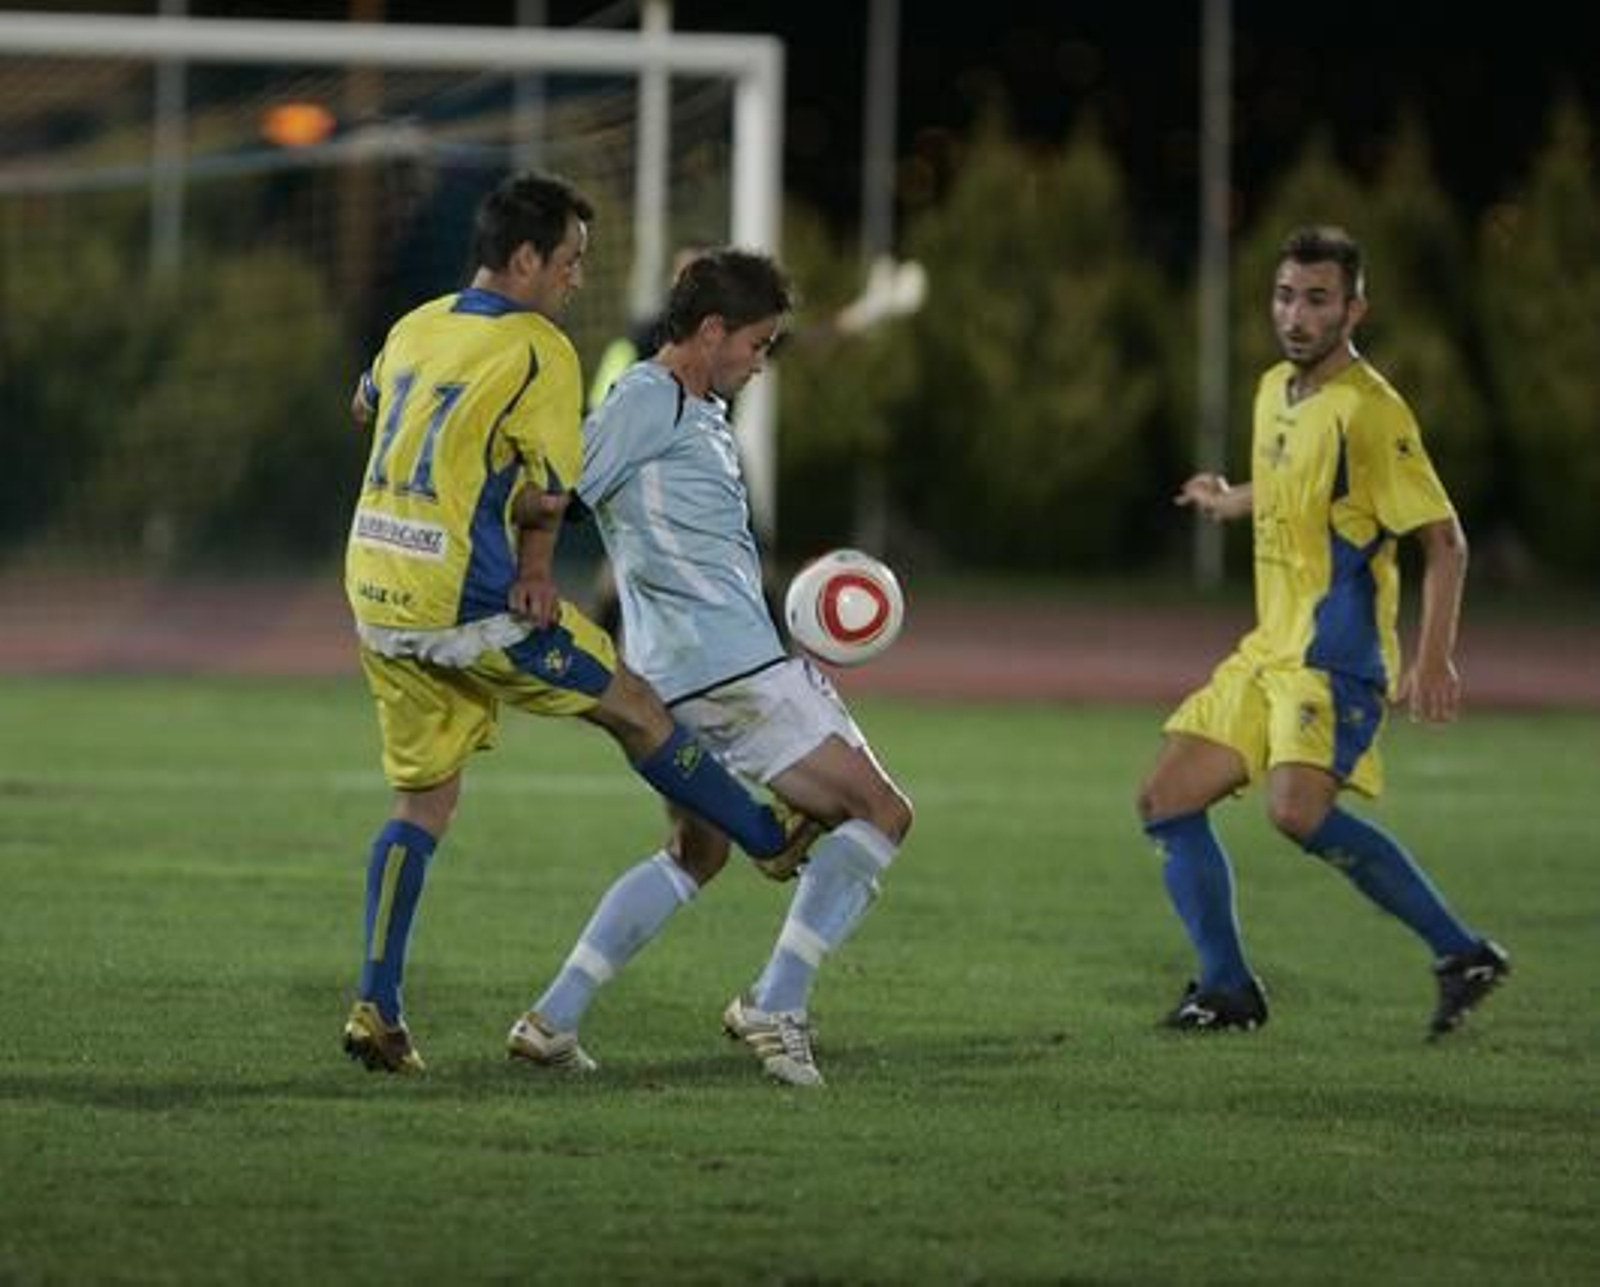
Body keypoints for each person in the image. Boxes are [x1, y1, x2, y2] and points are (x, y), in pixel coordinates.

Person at [340, 174, 813, 1075]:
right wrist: (531, 573)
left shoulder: (418, 323)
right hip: (467, 602)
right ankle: (767, 837)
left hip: (376, 588)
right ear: (524, 259)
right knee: (634, 702)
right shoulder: (540, 348)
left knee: (424, 801)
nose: (574, 280)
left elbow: (365, 403)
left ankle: (378, 1005)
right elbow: (552, 489)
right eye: (568, 261)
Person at [506, 248, 914, 1087]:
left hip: (678, 676)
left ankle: (553, 1019)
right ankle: (777, 1001)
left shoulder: (694, 404)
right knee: (880, 810)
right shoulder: (648, 398)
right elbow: (556, 494)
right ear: (714, 330)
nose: (763, 364)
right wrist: (534, 573)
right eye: (758, 345)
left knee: (699, 852)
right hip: (730, 671)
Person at [1136, 224, 1509, 1040]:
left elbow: (1444, 539)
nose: (1296, 315)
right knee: (1165, 800)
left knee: (1296, 812)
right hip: (1267, 648)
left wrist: (1435, 656)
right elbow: (1282, 483)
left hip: (1332, 658)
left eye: (1316, 299)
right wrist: (1226, 497)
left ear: (1354, 308)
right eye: (1284, 296)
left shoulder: (1372, 413)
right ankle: (1229, 990)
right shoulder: (1276, 388)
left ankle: (1461, 951)